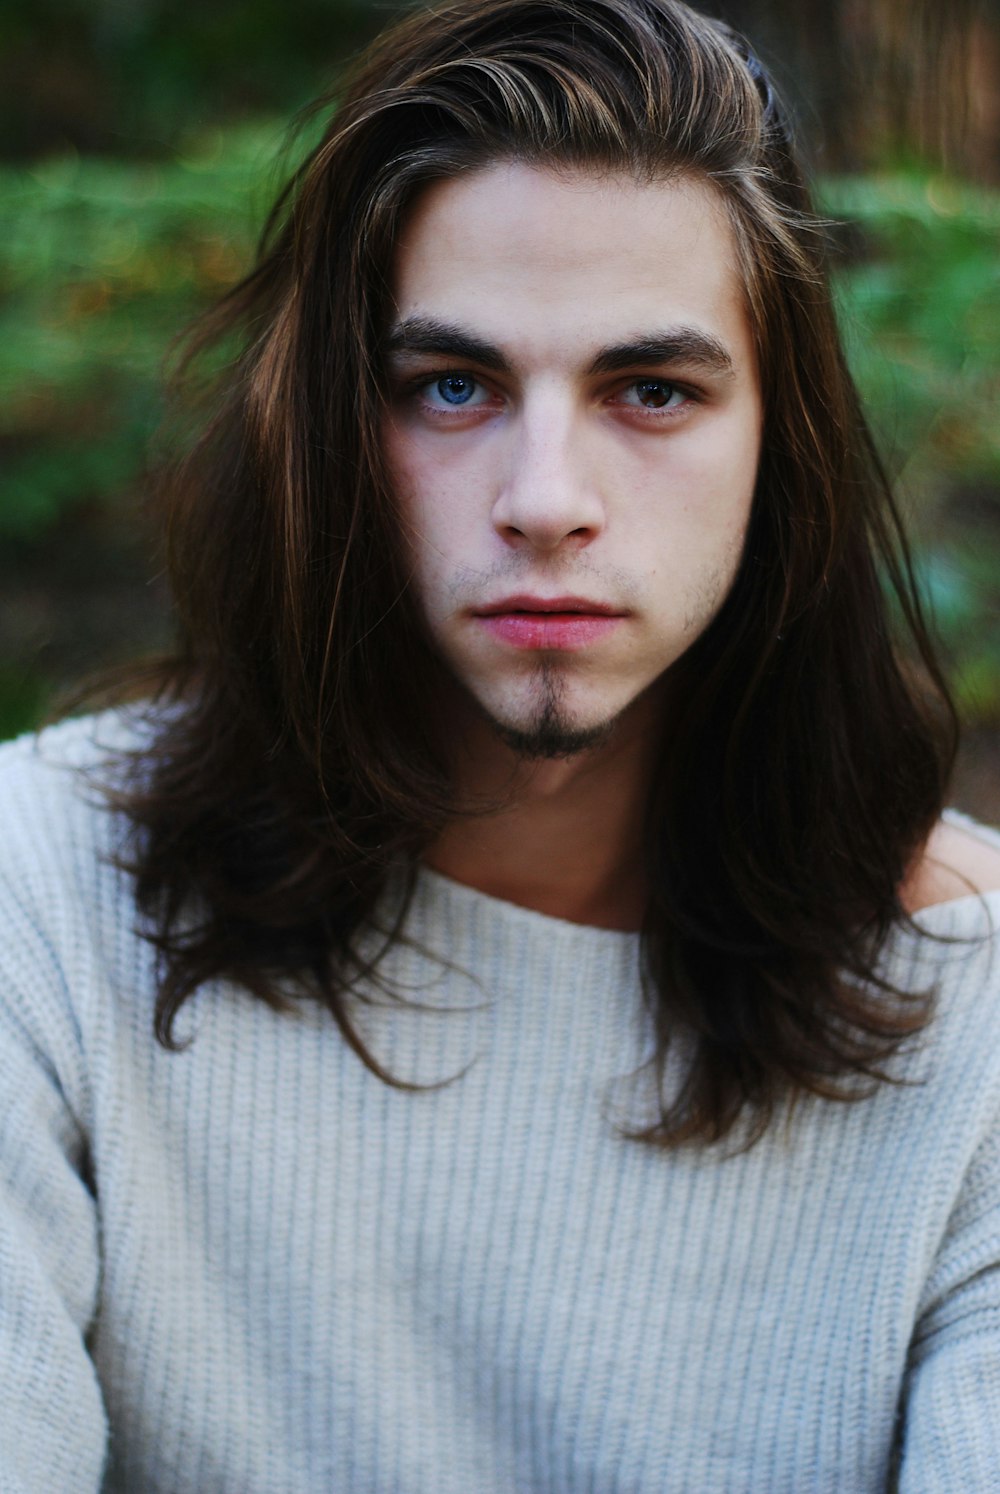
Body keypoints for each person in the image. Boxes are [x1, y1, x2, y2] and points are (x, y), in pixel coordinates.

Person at [2, 0, 999, 1487]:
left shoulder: (973, 1020)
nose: (545, 496)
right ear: (330, 424)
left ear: (775, 447)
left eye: (649, 390)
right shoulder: (42, 895)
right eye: (451, 387)